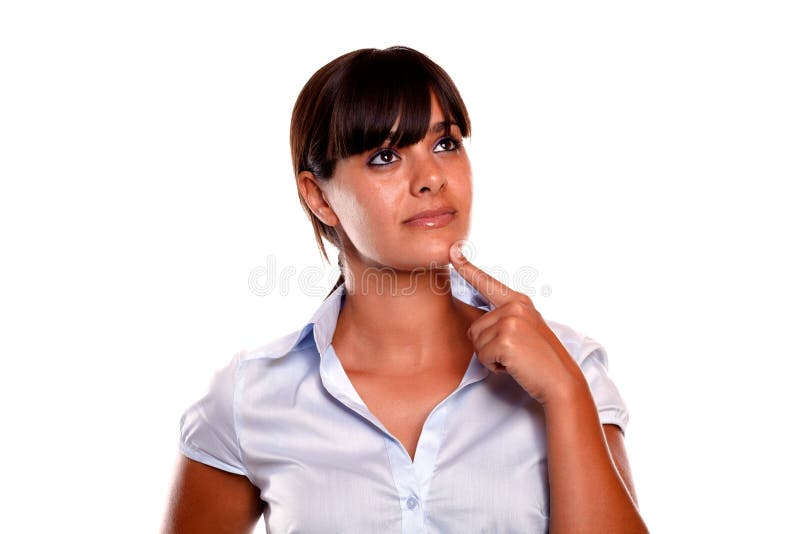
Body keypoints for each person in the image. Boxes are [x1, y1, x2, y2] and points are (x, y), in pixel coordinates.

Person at [163, 46, 648, 533]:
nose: (432, 178)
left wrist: (564, 392)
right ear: (319, 196)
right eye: (385, 156)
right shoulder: (250, 399)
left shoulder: (568, 367)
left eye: (445, 144)